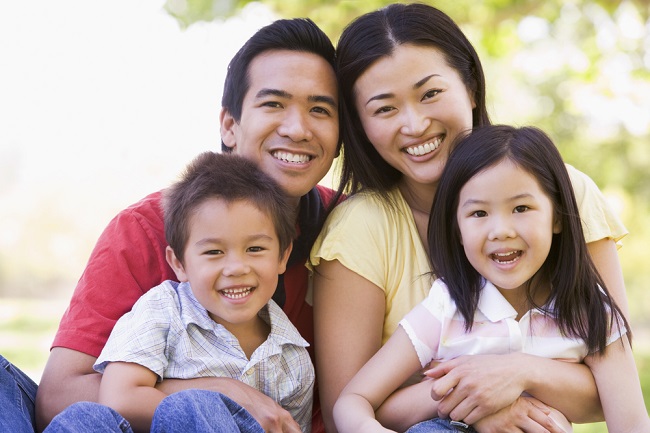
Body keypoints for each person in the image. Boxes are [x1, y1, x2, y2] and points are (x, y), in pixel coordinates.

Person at [309, 4, 630, 432]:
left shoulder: (562, 192)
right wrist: (475, 394)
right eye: (384, 109)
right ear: (361, 125)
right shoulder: (361, 228)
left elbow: (611, 388)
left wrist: (517, 373)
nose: (415, 123)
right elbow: (344, 412)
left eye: (430, 93)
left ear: (472, 88)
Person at [29, 17, 339, 433]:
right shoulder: (143, 228)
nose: (297, 128)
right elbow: (58, 397)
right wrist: (219, 392)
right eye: (273, 104)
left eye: (319, 109)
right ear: (229, 125)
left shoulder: (347, 228)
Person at [332, 125, 649, 433]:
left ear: (557, 216)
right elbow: (354, 400)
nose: (501, 230)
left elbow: (632, 422)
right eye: (479, 214)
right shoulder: (448, 307)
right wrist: (462, 401)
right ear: (457, 230)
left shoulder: (592, 312)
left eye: (521, 208)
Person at [45, 152, 315, 433]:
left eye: (255, 249)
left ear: (283, 257)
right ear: (179, 264)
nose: (236, 268)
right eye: (214, 252)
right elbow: (120, 398)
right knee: (89, 419)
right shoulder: (163, 311)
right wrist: (211, 400)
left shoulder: (292, 358)